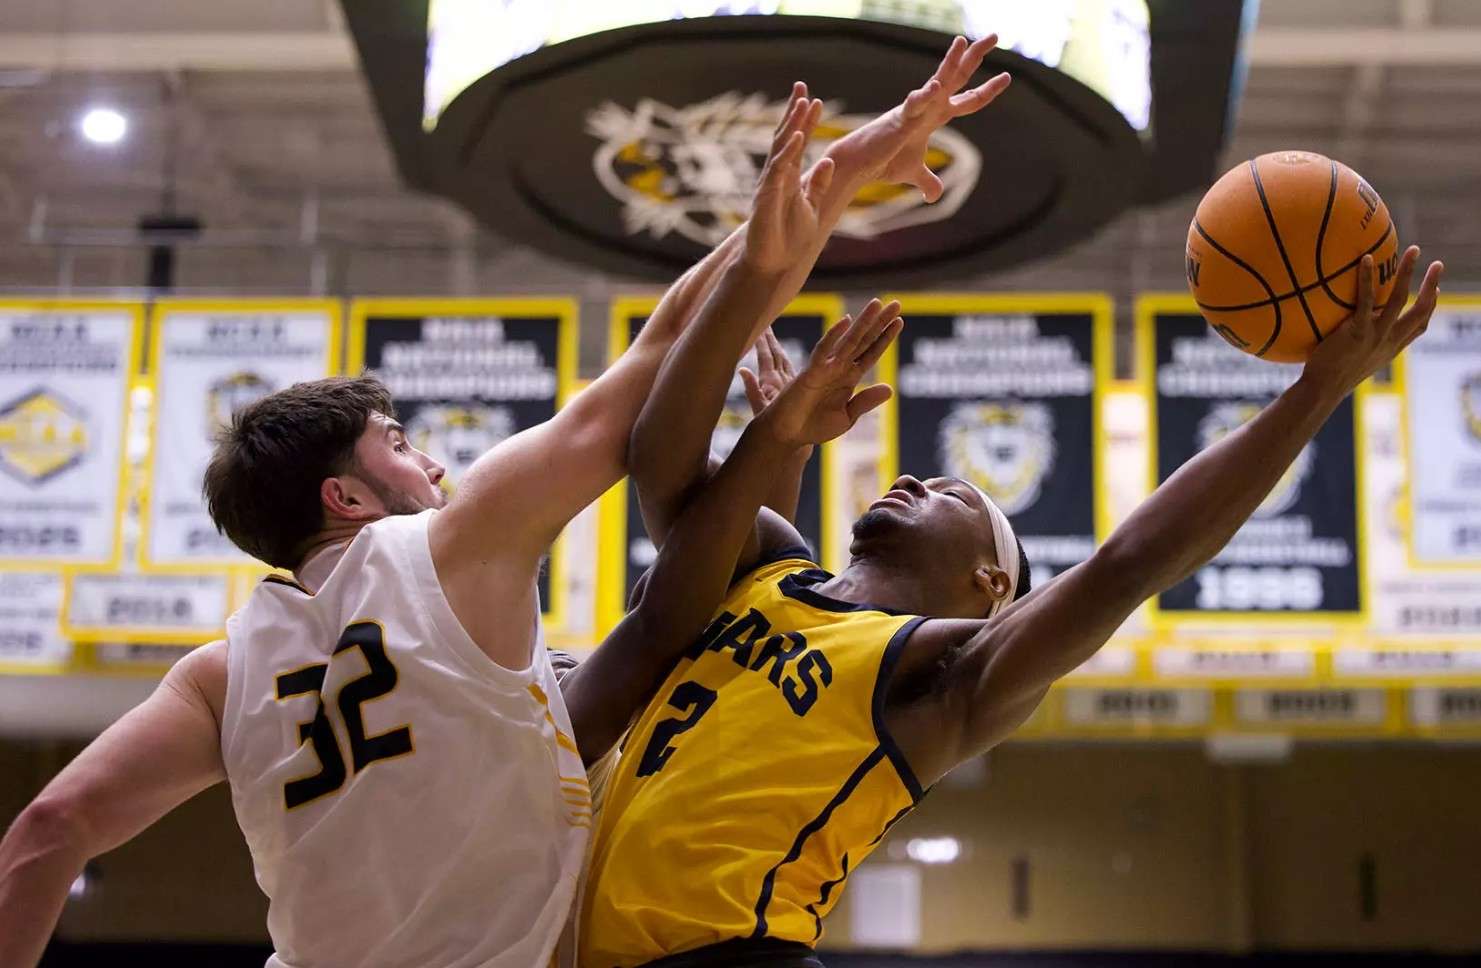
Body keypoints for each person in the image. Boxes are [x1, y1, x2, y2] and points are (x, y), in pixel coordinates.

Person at [0, 64, 954, 966]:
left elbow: (48, 830)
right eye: (397, 441)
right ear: (345, 497)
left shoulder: (217, 675)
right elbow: (662, 352)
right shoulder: (450, 550)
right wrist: (841, 175)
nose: (435, 458)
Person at [585, 125, 1446, 968]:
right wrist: (772, 436)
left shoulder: (938, 677)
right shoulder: (765, 572)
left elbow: (1129, 565)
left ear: (988, 579)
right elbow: (656, 458)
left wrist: (1318, 389)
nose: (916, 481)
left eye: (954, 494)